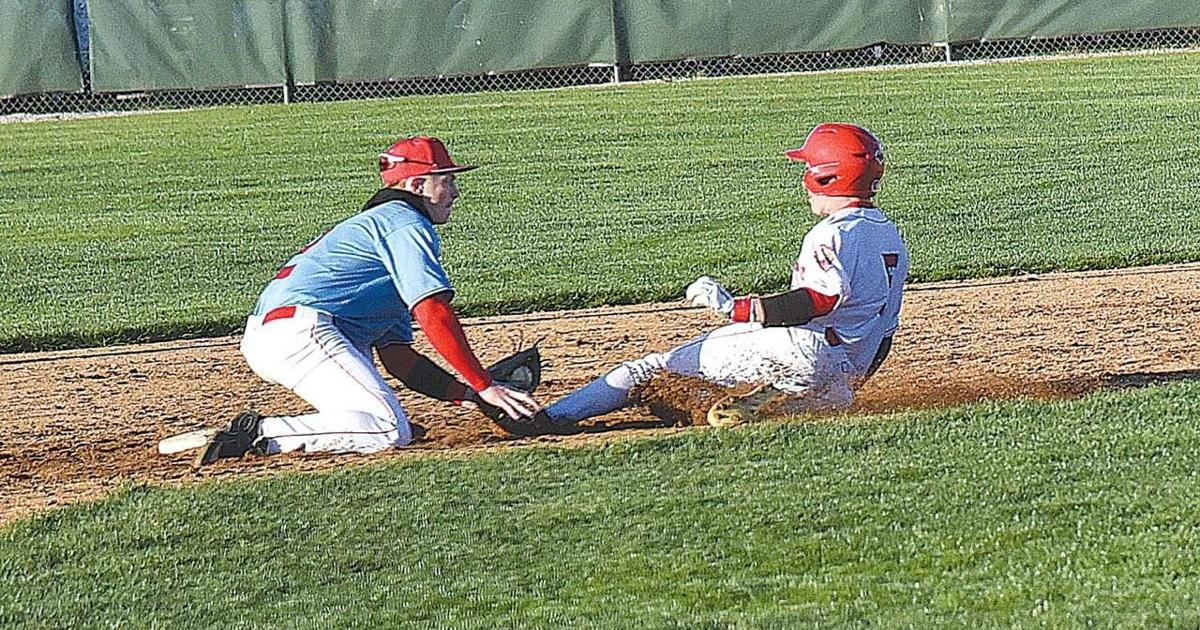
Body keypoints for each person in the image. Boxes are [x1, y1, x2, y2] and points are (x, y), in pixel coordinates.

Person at [536, 122, 910, 429]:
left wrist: (735, 308)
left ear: (828, 177)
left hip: (805, 351)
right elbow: (886, 332)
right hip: (847, 369)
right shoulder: (889, 234)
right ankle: (791, 403)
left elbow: (817, 300)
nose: (803, 178)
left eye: (808, 169)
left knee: (649, 368)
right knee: (797, 389)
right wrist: (850, 380)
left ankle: (547, 419)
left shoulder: (832, 233)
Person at [196, 136, 541, 465]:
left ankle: (335, 430)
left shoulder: (383, 226)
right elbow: (432, 310)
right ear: (418, 185)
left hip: (289, 332)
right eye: (446, 180)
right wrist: (485, 384)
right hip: (303, 331)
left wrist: (468, 396)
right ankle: (259, 432)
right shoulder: (405, 223)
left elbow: (398, 358)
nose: (455, 192)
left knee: (375, 424)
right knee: (388, 430)